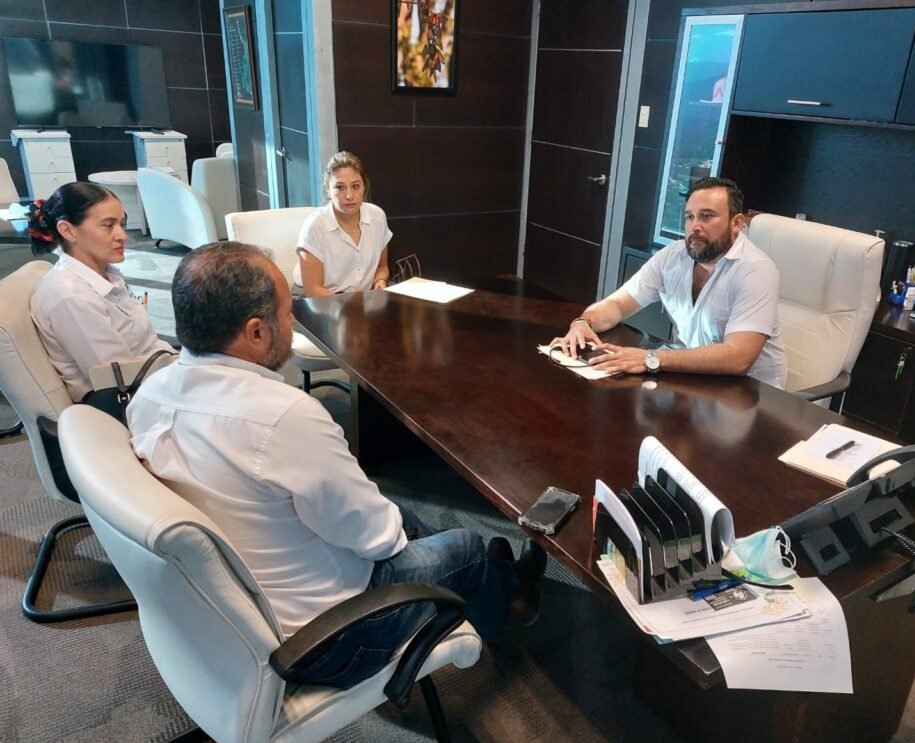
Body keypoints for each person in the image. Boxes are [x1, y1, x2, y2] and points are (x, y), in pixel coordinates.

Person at [127, 241, 547, 689]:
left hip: (246, 600)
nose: (292, 322)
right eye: (287, 312)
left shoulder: (150, 393)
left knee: (394, 511)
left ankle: (499, 578)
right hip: (329, 638)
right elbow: (379, 540)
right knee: (463, 547)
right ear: (256, 332)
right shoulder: (282, 418)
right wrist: (395, 530)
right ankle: (503, 608)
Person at [553, 177, 787, 388]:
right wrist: (583, 323)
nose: (694, 226)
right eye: (689, 217)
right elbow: (617, 304)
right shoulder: (673, 256)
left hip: (750, 394)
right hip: (689, 377)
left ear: (736, 223)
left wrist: (652, 358)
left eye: (707, 216)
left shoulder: (756, 271)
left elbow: (738, 358)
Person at [28, 181, 174, 402]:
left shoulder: (107, 274)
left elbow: (145, 345)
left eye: (122, 224)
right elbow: (118, 377)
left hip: (151, 375)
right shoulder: (71, 295)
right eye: (108, 225)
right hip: (126, 399)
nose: (122, 236)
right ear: (67, 230)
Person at [295, 151, 392, 296]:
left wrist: (380, 280)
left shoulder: (377, 217)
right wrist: (351, 307)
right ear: (328, 190)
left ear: (364, 186)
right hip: (323, 303)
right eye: (340, 187)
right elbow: (313, 291)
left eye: (355, 186)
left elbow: (382, 267)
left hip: (364, 301)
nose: (349, 195)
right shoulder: (314, 226)